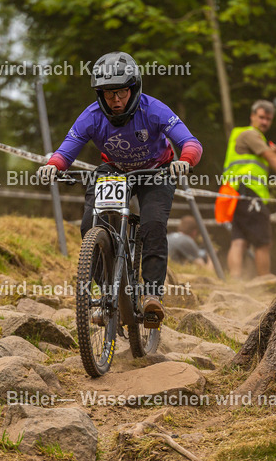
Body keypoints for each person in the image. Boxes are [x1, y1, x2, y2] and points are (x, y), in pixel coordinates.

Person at [36, 51, 202, 327]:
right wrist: (53, 166)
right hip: (114, 170)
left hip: (156, 172)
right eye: (107, 93)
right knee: (91, 223)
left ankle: (151, 294)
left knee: (153, 224)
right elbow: (66, 150)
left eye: (121, 92)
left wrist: (185, 161)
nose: (114, 100)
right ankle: (105, 294)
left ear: (133, 88)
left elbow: (191, 142)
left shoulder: (155, 110)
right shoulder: (90, 117)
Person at [221, 100, 276, 277]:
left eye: (268, 119)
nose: (264, 122)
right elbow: (269, 157)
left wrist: (271, 152)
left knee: (239, 239)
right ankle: (265, 281)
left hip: (234, 192)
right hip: (249, 192)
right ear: (252, 116)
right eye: (262, 117)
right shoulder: (250, 134)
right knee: (263, 241)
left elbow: (263, 157)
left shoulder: (242, 135)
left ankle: (234, 281)